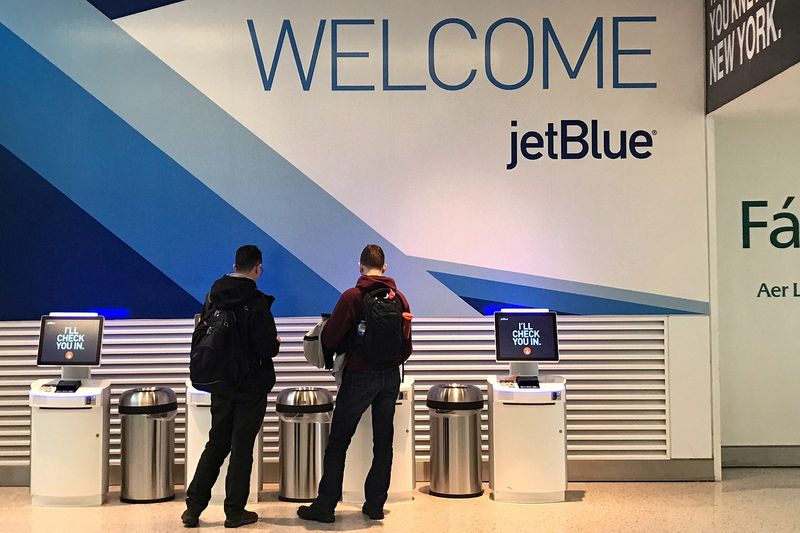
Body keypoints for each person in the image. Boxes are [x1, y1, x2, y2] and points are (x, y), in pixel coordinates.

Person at [298, 244, 413, 523]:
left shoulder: (352, 297)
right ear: (385, 268)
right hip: (390, 377)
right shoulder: (400, 298)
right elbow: (407, 347)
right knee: (382, 443)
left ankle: (325, 506)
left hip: (360, 375)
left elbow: (330, 339)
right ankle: (374, 506)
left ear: (360, 266)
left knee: (338, 441)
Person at [182, 245, 280, 528]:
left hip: (220, 383)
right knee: (241, 448)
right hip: (250, 385)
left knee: (216, 443)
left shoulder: (213, 295)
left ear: (235, 265)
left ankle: (194, 508)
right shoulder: (257, 302)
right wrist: (274, 344)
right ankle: (234, 511)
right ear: (257, 268)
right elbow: (266, 347)